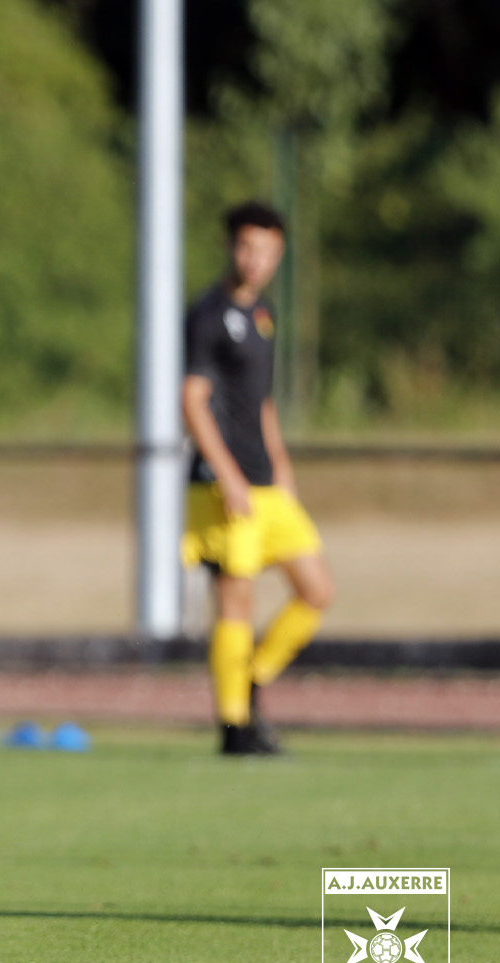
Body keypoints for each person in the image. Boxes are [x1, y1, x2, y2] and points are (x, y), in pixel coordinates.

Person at [180, 202, 334, 756]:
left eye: (266, 251)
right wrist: (229, 475)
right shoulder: (207, 314)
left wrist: (282, 470)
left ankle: (252, 676)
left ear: (279, 254)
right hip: (221, 482)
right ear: (231, 248)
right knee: (235, 602)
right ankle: (234, 726)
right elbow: (192, 400)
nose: (255, 260)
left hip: (266, 482)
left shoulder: (264, 315)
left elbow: (261, 403)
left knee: (316, 590)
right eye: (246, 248)